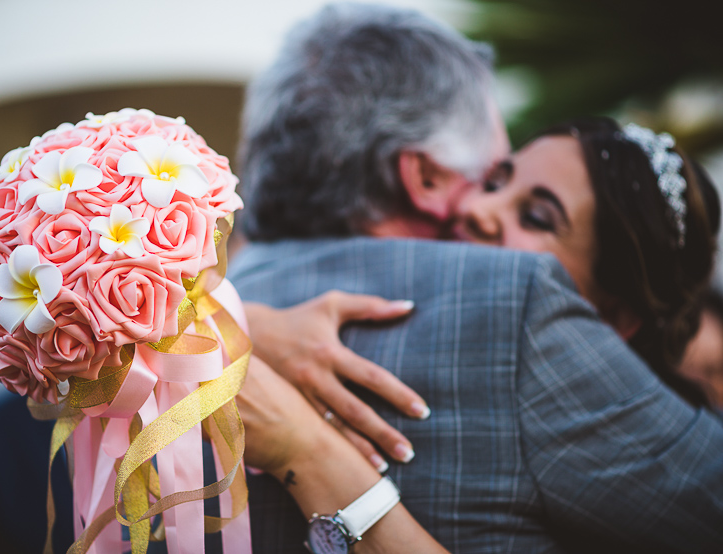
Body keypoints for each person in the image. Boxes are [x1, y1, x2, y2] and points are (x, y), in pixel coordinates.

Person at [229, 3, 723, 553]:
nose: (483, 210)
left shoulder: (184, 325)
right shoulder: (512, 305)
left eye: (535, 215)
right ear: (426, 175)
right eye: (493, 175)